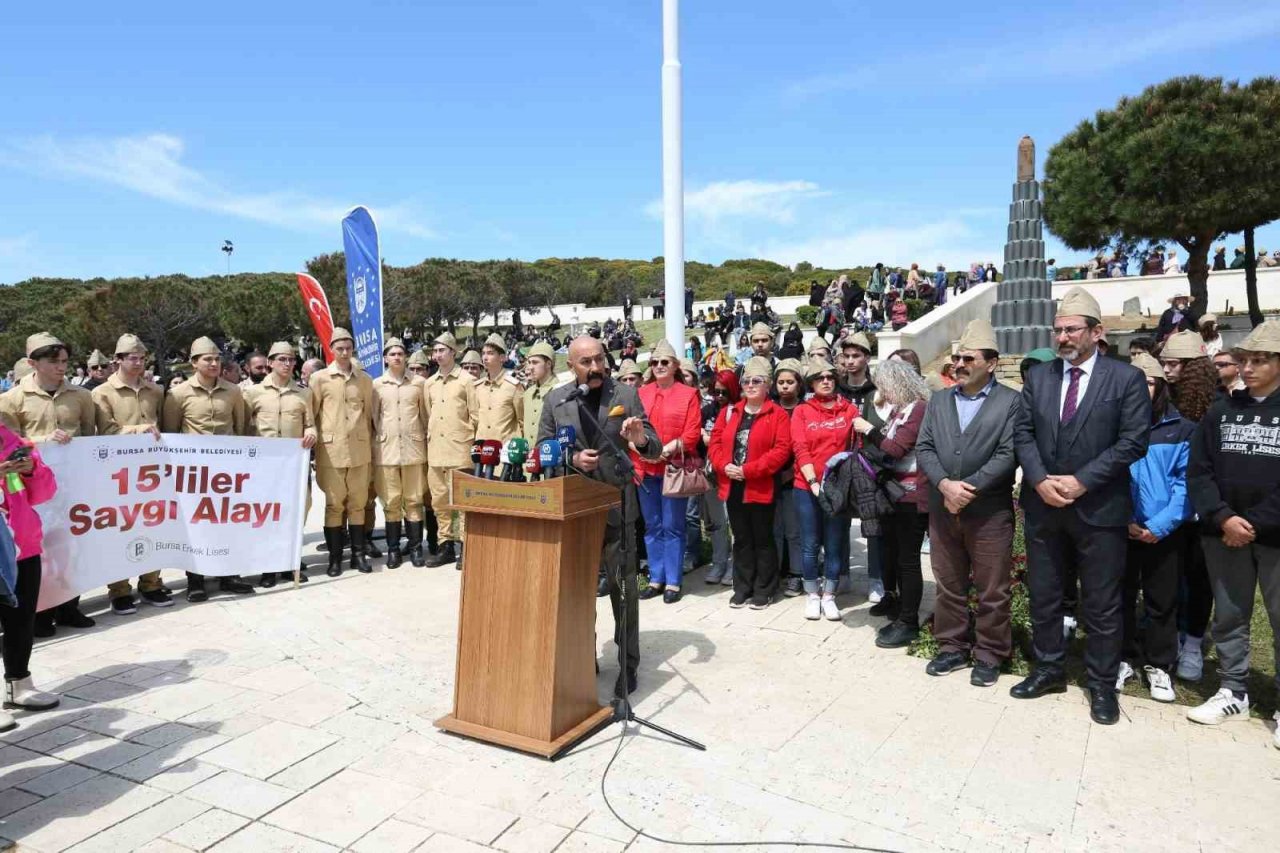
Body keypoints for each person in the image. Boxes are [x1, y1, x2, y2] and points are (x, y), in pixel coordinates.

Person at [1011, 286, 1149, 725]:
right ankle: (1049, 668)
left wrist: (1082, 481)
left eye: (1071, 330)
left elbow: (1133, 442)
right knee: (1046, 595)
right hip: (1044, 506)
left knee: (1102, 603)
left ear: (1096, 332)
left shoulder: (1124, 379)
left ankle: (1102, 685)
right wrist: (1038, 480)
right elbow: (1023, 435)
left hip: (1100, 510)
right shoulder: (1040, 377)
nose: (1063, 338)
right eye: (1058, 330)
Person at [538, 336, 660, 697]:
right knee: (577, 594)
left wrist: (638, 439)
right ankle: (582, 658)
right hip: (575, 512)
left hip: (617, 509)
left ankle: (629, 666)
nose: (594, 368)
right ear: (570, 365)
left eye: (598, 360)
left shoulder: (624, 395)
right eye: (585, 362)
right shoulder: (555, 400)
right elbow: (542, 449)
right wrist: (571, 460)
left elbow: (652, 444)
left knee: (624, 594)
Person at [1185, 321, 1280, 742]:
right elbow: (1199, 470)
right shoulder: (1221, 409)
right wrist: (1223, 517)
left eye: (1260, 360)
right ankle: (1233, 689)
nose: (1249, 368)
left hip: (1274, 536)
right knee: (1230, 615)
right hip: (1223, 532)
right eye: (1245, 360)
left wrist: (1255, 523)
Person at [915, 319, 1021, 686]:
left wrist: (968, 489)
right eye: (957, 358)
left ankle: (991, 653)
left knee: (993, 588)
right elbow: (925, 447)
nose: (959, 364)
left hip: (988, 513)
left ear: (991, 363)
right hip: (944, 509)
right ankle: (951, 647)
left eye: (969, 359)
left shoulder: (1011, 402)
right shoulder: (940, 400)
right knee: (949, 582)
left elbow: (1009, 453)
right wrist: (945, 486)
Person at [0, 333, 98, 635]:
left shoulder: (81, 396)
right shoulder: (11, 400)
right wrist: (44, 442)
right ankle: (41, 613)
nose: (61, 367)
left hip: (72, 484)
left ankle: (70, 605)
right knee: (40, 551)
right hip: (31, 490)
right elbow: (9, 447)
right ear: (33, 363)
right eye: (53, 362)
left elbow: (91, 438)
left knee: (72, 546)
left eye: (65, 361)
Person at [1116, 352, 1194, 703]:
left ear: (1160, 386)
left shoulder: (1181, 429)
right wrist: (1127, 519)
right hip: (1122, 525)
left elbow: (1185, 484)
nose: (1140, 388)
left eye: (1147, 382)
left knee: (1162, 600)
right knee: (1120, 595)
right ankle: (1122, 657)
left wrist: (1159, 525)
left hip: (1164, 530)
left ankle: (1159, 664)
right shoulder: (1116, 425)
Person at [162, 336, 256, 602]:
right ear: (194, 363)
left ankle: (229, 575)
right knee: (196, 525)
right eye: (208, 359)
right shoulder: (178, 394)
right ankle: (196, 580)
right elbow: (171, 432)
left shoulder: (233, 391)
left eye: (216, 359)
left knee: (228, 521)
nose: (214, 363)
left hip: (227, 472)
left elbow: (240, 427)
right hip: (193, 473)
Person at [93, 334, 173, 612]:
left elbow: (165, 426)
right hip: (118, 474)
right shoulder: (101, 393)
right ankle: (119, 590)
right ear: (117, 360)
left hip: (152, 472)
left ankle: (151, 583)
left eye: (142, 358)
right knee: (120, 529)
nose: (138, 363)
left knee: (154, 524)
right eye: (132, 358)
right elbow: (106, 432)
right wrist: (140, 430)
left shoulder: (155, 391)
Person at [854, 358, 930, 648]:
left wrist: (867, 430)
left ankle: (909, 621)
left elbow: (896, 448)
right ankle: (897, 605)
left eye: (884, 385)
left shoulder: (919, 408)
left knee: (908, 560)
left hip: (912, 495)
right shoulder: (900, 410)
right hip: (894, 493)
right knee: (893, 555)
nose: (881, 391)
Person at [708, 357, 791, 609]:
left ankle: (764, 589)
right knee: (741, 538)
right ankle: (742, 586)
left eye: (757, 381)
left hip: (760, 484)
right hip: (733, 484)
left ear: (767, 386)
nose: (751, 385)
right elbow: (715, 444)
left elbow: (781, 451)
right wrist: (725, 467)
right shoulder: (729, 412)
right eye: (746, 381)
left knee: (763, 537)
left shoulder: (777, 414)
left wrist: (748, 470)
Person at [0, 420, 61, 728]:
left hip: (22, 545)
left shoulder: (11, 440)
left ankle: (19, 684)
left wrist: (29, 470)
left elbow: (44, 491)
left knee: (22, 619)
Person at [244, 341, 317, 585]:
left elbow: (310, 423)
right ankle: (268, 569)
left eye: (291, 360)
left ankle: (289, 565)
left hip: (294, 464)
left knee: (296, 512)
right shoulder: (253, 393)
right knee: (267, 515)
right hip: (264, 465)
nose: (287, 364)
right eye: (282, 360)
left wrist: (311, 432)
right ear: (270, 363)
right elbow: (244, 426)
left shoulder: (303, 393)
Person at [634, 340, 701, 603]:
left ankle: (673, 581)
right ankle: (656, 577)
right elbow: (630, 426)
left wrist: (669, 448)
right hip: (645, 468)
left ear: (675, 365)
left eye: (665, 362)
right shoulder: (641, 393)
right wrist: (639, 448)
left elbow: (693, 432)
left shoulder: (688, 394)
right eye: (655, 362)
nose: (659, 366)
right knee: (652, 525)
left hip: (672, 468)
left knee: (673, 526)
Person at [791, 357, 857, 621]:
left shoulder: (849, 410)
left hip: (838, 489)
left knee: (834, 543)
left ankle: (829, 595)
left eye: (829, 377)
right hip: (806, 486)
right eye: (820, 378)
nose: (826, 382)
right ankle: (812, 595)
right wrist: (814, 483)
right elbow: (800, 449)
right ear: (812, 383)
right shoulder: (802, 411)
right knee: (809, 544)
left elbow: (855, 447)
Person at [308, 327, 376, 576]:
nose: (345, 352)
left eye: (348, 348)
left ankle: (358, 555)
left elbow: (369, 415)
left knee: (358, 504)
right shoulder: (320, 379)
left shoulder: (365, 380)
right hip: (331, 451)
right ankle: (335, 558)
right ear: (332, 350)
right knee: (334, 505)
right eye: (340, 348)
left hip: (359, 451)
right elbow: (312, 415)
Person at [371, 337, 428, 570]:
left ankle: (415, 549)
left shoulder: (419, 383)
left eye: (400, 353)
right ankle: (393, 550)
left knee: (414, 500)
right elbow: (374, 418)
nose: (396, 357)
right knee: (391, 501)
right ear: (385, 358)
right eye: (392, 354)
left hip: (414, 450)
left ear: (405, 357)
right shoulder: (376, 385)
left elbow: (425, 415)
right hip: (387, 451)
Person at [424, 332, 478, 568]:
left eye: (441, 350)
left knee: (463, 501)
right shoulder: (429, 383)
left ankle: (467, 546)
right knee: (440, 501)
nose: (437, 355)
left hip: (460, 450)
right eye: (435, 351)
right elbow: (428, 414)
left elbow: (475, 415)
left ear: (453, 353)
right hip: (436, 451)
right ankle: (445, 545)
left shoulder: (467, 380)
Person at [689, 370, 736, 585]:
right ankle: (719, 562)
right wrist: (703, 438)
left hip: (732, 472)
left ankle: (734, 564)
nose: (719, 396)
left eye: (724, 392)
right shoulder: (707, 411)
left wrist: (715, 440)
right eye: (715, 392)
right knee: (717, 522)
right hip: (710, 473)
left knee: (734, 523)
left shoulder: (739, 410)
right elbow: (697, 442)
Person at [474, 333, 524, 446]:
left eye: (490, 353)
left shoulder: (513, 387)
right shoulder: (478, 387)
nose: (485, 357)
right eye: (483, 353)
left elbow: (522, 421)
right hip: (483, 452)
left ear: (503, 358)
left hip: (506, 451)